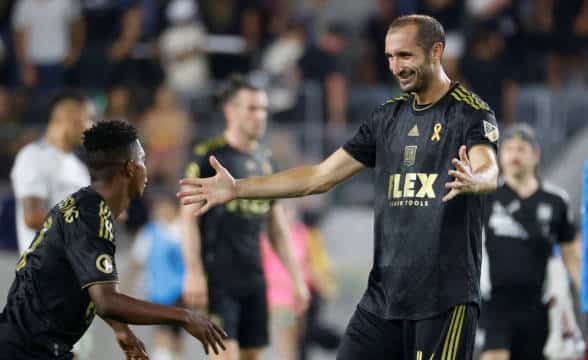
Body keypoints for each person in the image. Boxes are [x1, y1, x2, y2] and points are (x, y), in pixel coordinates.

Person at [178, 14, 500, 359]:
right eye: (390, 57)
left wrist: (475, 179)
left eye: (405, 56)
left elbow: (488, 167)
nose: (396, 67)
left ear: (436, 52)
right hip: (383, 299)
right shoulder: (386, 118)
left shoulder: (470, 113)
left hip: (443, 300)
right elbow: (318, 176)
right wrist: (238, 188)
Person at [0, 120, 226, 360]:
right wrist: (184, 317)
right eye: (142, 160)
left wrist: (122, 328)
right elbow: (107, 301)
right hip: (27, 351)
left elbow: (89, 283)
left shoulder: (83, 206)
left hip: (30, 345)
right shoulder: (91, 218)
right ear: (129, 168)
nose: (146, 170)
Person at [180, 74, 309, 360]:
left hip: (254, 279)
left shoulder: (266, 162)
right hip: (218, 280)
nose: (260, 116)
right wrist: (193, 272)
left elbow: (277, 228)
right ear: (230, 110)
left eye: (263, 109)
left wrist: (297, 279)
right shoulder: (207, 157)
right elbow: (188, 219)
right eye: (252, 108)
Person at [480, 124, 582, 360]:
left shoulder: (556, 201)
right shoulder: (485, 196)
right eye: (509, 149)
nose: (515, 155)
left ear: (536, 155)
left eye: (522, 149)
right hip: (496, 302)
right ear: (500, 156)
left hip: (538, 305)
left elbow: (572, 256)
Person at [10, 90, 91, 254]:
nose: (90, 125)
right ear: (68, 119)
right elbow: (32, 217)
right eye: (87, 118)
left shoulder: (80, 169)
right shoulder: (32, 156)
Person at [125, 188, 186, 360]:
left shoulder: (184, 230)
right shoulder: (149, 232)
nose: (160, 211)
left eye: (164, 207)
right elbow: (136, 261)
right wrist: (125, 289)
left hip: (181, 292)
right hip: (158, 292)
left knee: (176, 337)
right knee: (162, 333)